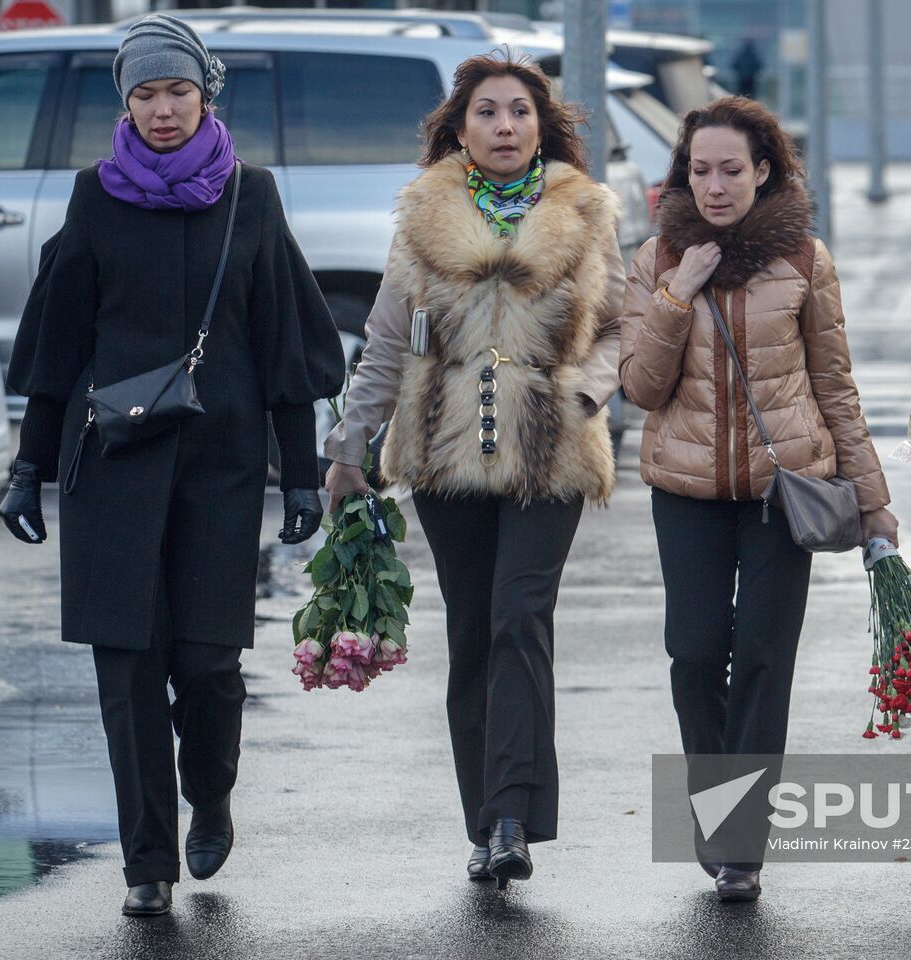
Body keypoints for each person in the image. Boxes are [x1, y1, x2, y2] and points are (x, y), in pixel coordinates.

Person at [0, 14, 343, 918]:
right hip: (109, 464)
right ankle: (146, 861)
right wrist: (27, 467)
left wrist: (301, 473)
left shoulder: (251, 195)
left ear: (205, 93)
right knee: (127, 667)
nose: (161, 109)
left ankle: (212, 792)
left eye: (176, 91)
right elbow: (58, 340)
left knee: (209, 663)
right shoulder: (92, 196)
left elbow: (284, 342)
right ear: (125, 102)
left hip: (221, 466)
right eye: (144, 94)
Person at [323, 52, 624, 890]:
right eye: (488, 113)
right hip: (445, 452)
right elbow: (386, 342)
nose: (505, 127)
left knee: (519, 619)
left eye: (520, 112)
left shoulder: (587, 213)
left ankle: (518, 818)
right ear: (460, 129)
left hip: (549, 449)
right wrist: (351, 449)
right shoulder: (423, 217)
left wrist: (587, 398)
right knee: (470, 634)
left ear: (542, 124)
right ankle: (485, 821)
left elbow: (620, 327)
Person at [619, 96, 896, 902]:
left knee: (766, 661)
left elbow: (835, 386)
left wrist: (873, 502)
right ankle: (717, 803)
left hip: (788, 493)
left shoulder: (806, 259)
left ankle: (741, 843)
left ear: (763, 170)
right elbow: (640, 385)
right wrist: (678, 292)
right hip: (689, 490)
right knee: (697, 653)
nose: (714, 186)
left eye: (730, 170)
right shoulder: (656, 259)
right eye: (700, 170)